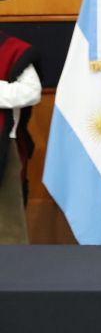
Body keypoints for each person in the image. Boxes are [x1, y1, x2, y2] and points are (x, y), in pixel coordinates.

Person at [0, 30, 41, 244]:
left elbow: (31, 91)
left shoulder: (13, 49)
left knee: (7, 218)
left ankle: (10, 271)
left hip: (3, 144)